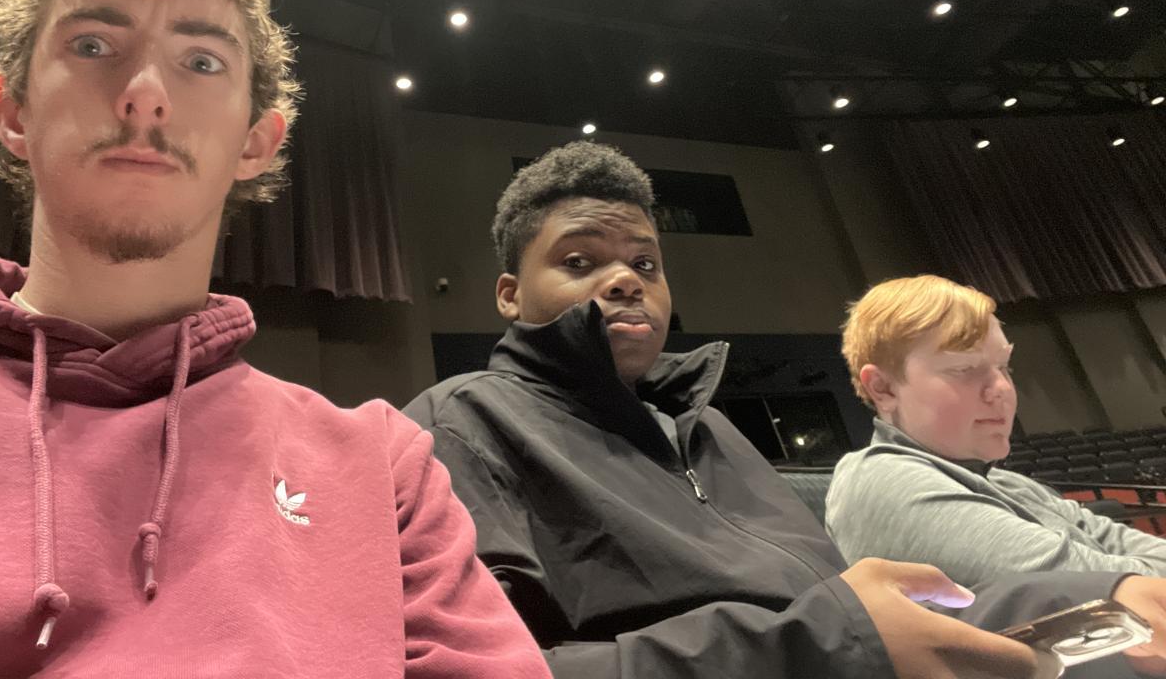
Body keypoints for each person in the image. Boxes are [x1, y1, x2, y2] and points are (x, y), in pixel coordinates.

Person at [0, 0, 549, 678]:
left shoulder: (384, 471)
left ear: (256, 143)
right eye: (93, 45)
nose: (145, 91)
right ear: (13, 111)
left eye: (201, 61)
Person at [404, 141, 1166, 679]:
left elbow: (884, 612)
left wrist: (1092, 596)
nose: (626, 280)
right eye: (579, 262)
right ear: (510, 296)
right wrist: (821, 644)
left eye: (645, 263)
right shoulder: (457, 426)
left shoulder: (706, 429)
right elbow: (489, 671)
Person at [826, 274, 1166, 587]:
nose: (1002, 388)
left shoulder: (1008, 483)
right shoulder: (881, 481)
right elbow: (1102, 585)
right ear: (883, 388)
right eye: (964, 368)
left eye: (1004, 366)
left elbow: (1121, 548)